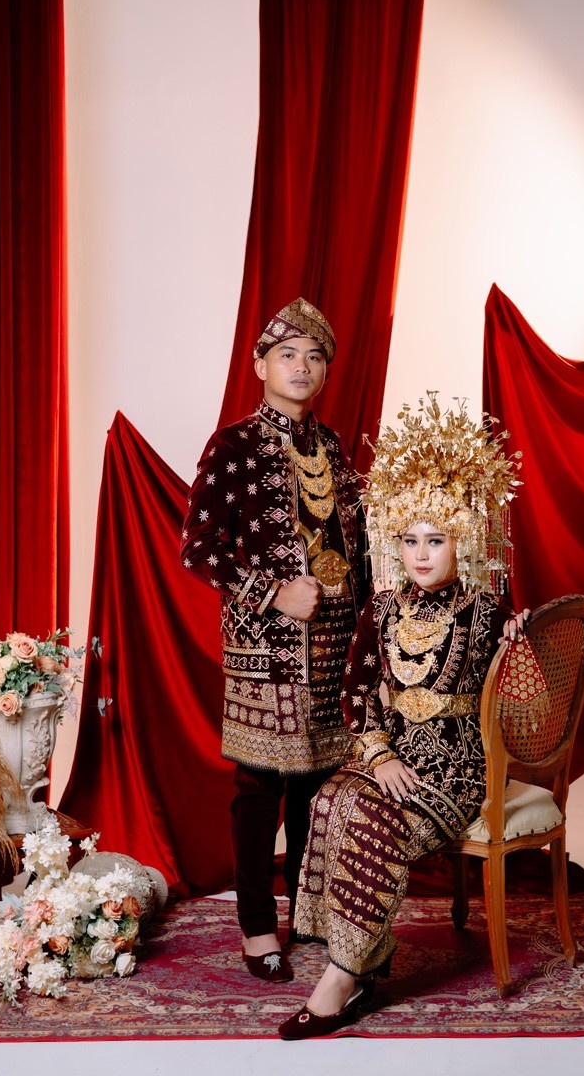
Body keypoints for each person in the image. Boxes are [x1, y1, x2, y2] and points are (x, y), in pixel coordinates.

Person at [278, 392, 525, 1039]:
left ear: (462, 541)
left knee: (367, 819)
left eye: (435, 540)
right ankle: (364, 957)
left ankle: (341, 978)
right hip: (391, 759)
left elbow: (525, 703)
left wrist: (521, 639)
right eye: (410, 540)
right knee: (328, 800)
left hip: (455, 772)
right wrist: (381, 754)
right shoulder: (381, 609)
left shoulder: (487, 612)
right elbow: (356, 692)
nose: (420, 554)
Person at [180, 297, 368, 983]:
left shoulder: (333, 448)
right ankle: (258, 927)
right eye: (287, 354)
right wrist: (272, 592)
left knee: (316, 786)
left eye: (314, 357)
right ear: (260, 365)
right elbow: (198, 547)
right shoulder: (232, 445)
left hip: (333, 647)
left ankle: (308, 916)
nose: (301, 366)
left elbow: (356, 545)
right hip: (266, 649)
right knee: (260, 788)